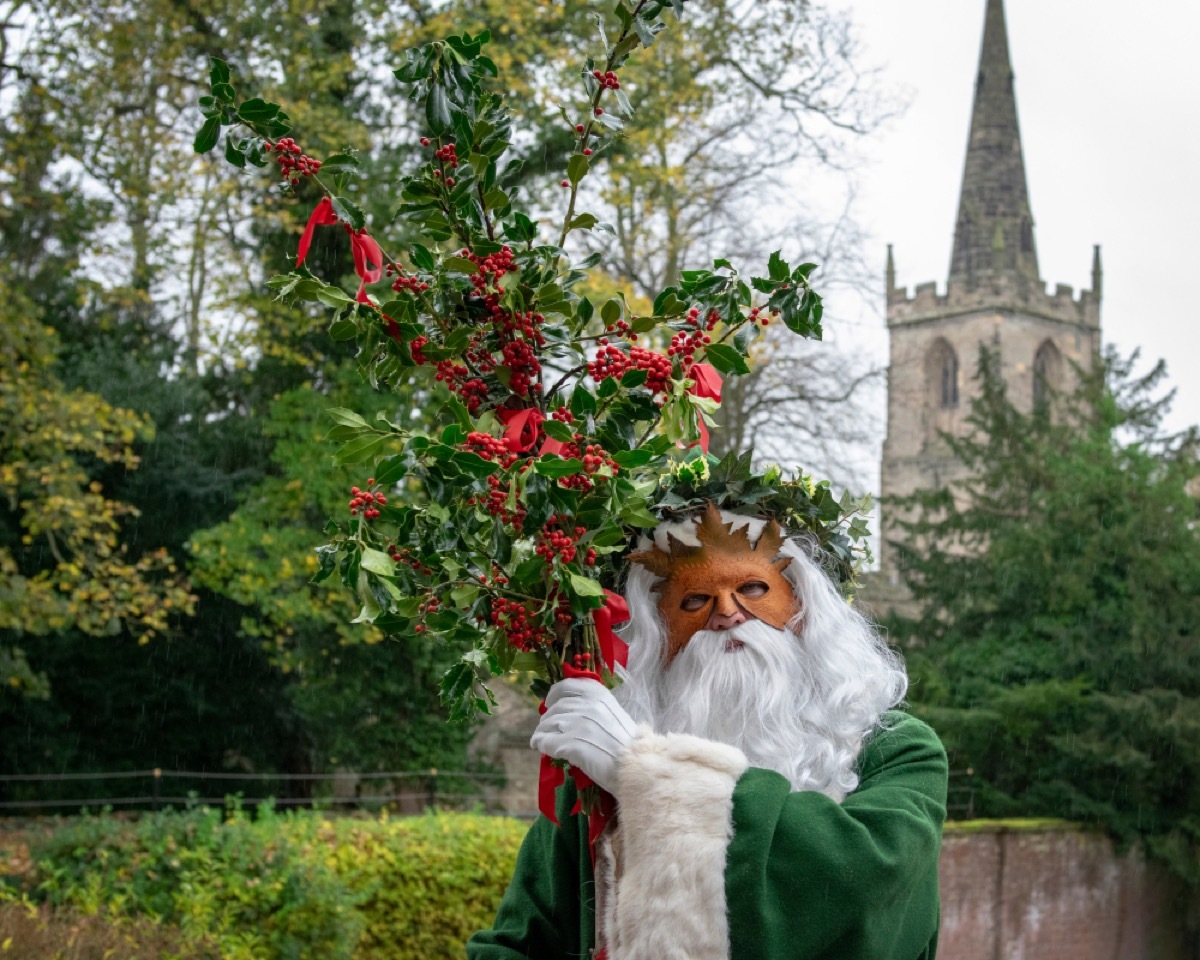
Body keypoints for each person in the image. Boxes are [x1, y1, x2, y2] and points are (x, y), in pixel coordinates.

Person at [468, 503, 947, 960]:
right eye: (694, 599)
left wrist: (648, 773)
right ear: (655, 631)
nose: (727, 613)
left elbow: (859, 885)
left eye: (754, 589)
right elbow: (520, 942)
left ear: (804, 608)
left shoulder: (895, 747)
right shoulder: (598, 773)